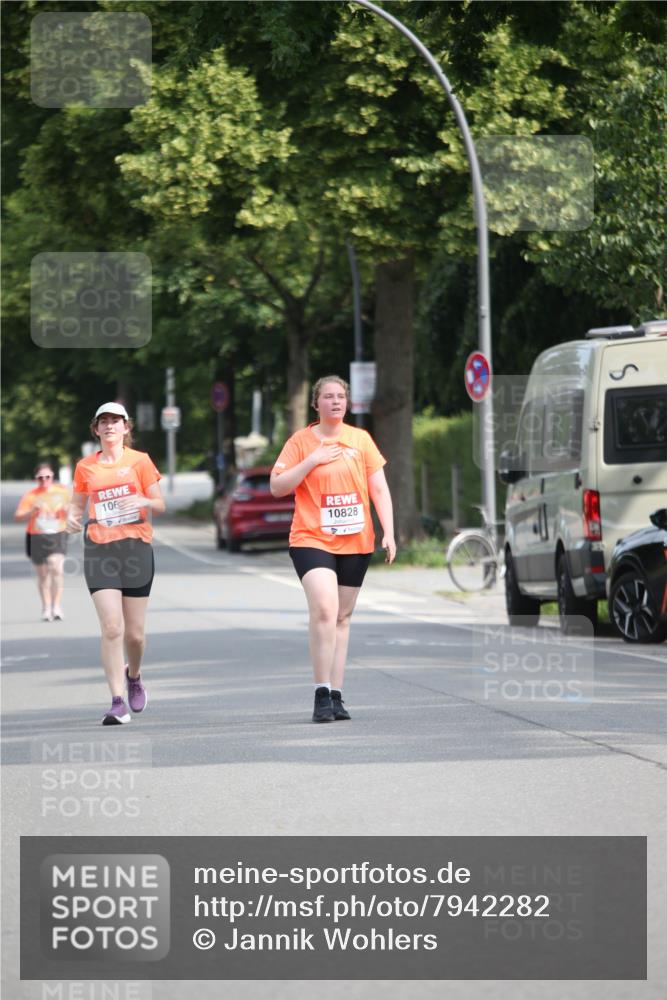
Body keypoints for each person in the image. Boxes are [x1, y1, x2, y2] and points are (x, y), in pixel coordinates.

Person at [270, 375, 396, 723]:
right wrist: (313, 459)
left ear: (348, 402)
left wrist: (389, 531)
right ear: (316, 404)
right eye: (328, 396)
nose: (336, 402)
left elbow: (379, 490)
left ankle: (337, 695)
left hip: (356, 539)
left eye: (341, 396)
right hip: (311, 538)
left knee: (342, 617)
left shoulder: (361, 440)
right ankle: (320, 692)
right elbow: (277, 486)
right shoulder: (300, 441)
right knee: (325, 610)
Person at [66, 403, 165, 725]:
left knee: (134, 636)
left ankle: (133, 675)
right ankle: (117, 700)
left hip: (135, 548)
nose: (110, 427)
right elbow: (77, 507)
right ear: (96, 429)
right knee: (112, 627)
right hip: (99, 550)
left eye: (115, 421)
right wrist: (69, 518)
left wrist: (144, 501)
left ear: (126, 428)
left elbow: (160, 504)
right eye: (103, 422)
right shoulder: (85, 467)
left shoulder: (140, 461)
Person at [15, 462, 70, 621]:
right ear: (36, 479)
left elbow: (74, 510)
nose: (44, 480)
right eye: (41, 478)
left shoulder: (62, 492)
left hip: (57, 533)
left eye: (48, 477)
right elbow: (18, 516)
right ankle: (46, 607)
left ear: (53, 477)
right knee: (43, 574)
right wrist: (31, 512)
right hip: (37, 535)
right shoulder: (31, 495)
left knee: (56, 568)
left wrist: (68, 511)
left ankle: (57, 606)